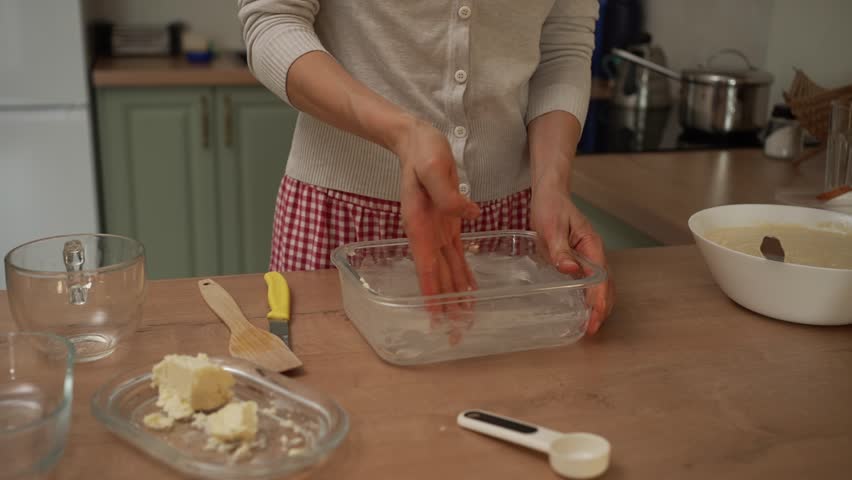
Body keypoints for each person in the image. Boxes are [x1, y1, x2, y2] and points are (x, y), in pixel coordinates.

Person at [238, 0, 614, 333]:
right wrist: (403, 134)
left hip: (513, 225)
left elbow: (562, 47)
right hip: (340, 218)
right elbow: (272, 21)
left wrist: (550, 185)